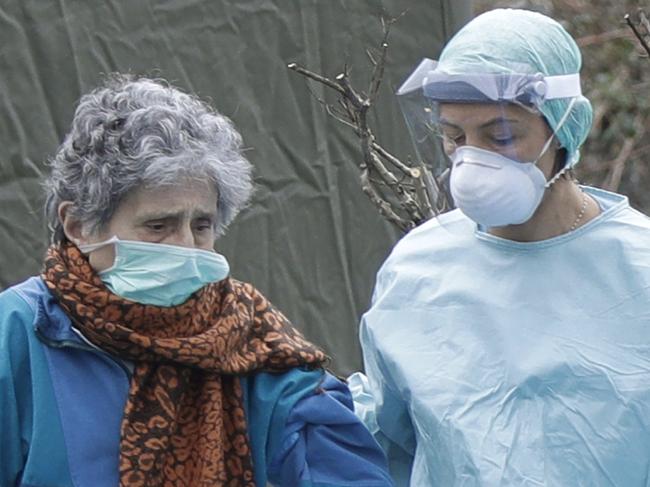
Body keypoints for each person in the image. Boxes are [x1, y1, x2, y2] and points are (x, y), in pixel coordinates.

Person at [0, 74, 394, 487]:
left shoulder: (249, 340)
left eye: (201, 224)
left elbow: (346, 469)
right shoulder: (22, 333)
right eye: (158, 225)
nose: (186, 246)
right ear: (78, 224)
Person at [351, 8, 650, 487]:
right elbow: (385, 443)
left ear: (565, 127)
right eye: (454, 138)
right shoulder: (416, 270)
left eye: (502, 135)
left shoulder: (638, 269)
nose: (472, 160)